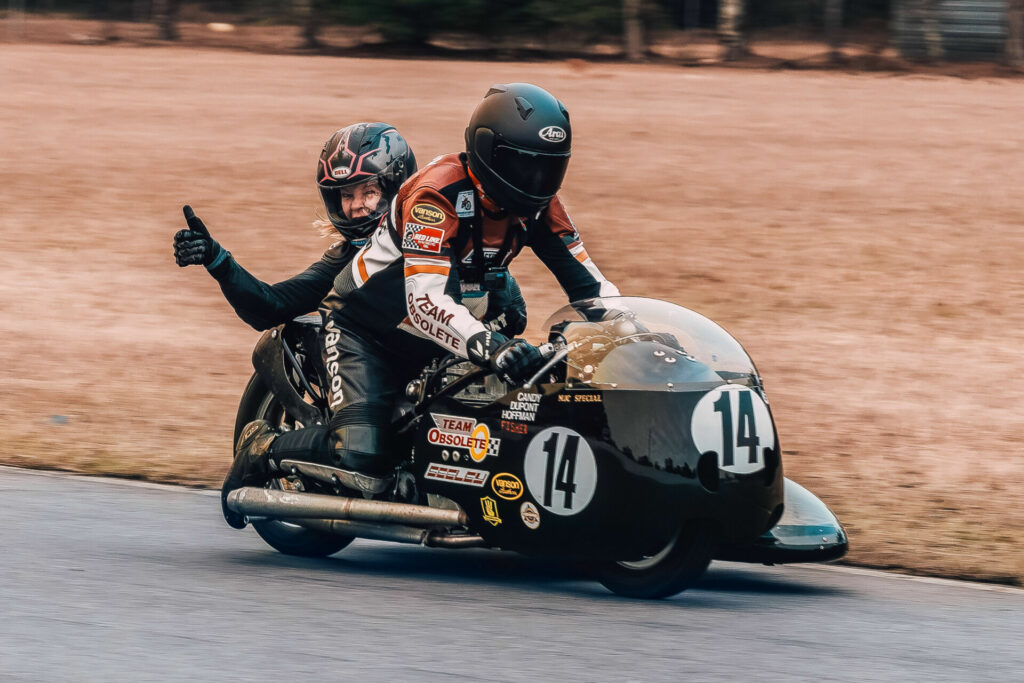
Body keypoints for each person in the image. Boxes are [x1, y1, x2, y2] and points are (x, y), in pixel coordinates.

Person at [222, 83, 618, 529]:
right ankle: (263, 448)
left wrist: (632, 333)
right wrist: (494, 347)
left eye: (547, 169)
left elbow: (592, 286)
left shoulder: (540, 204)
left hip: (438, 336)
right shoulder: (437, 194)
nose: (536, 181)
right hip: (365, 331)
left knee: (534, 384)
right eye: (524, 166)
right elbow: (426, 300)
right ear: (489, 154)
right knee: (361, 457)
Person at [173, 122, 527, 334]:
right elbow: (271, 305)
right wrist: (217, 259)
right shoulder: (347, 259)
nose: (356, 205)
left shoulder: (447, 232)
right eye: (346, 195)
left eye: (369, 192)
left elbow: (513, 310)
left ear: (398, 187)